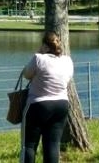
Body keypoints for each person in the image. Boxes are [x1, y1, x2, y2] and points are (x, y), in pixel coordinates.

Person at [20, 31, 74, 163]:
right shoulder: (67, 61)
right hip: (61, 105)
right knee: (53, 144)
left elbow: (26, 74)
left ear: (44, 45)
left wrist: (39, 52)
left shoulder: (38, 58)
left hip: (38, 105)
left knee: (29, 145)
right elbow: (67, 79)